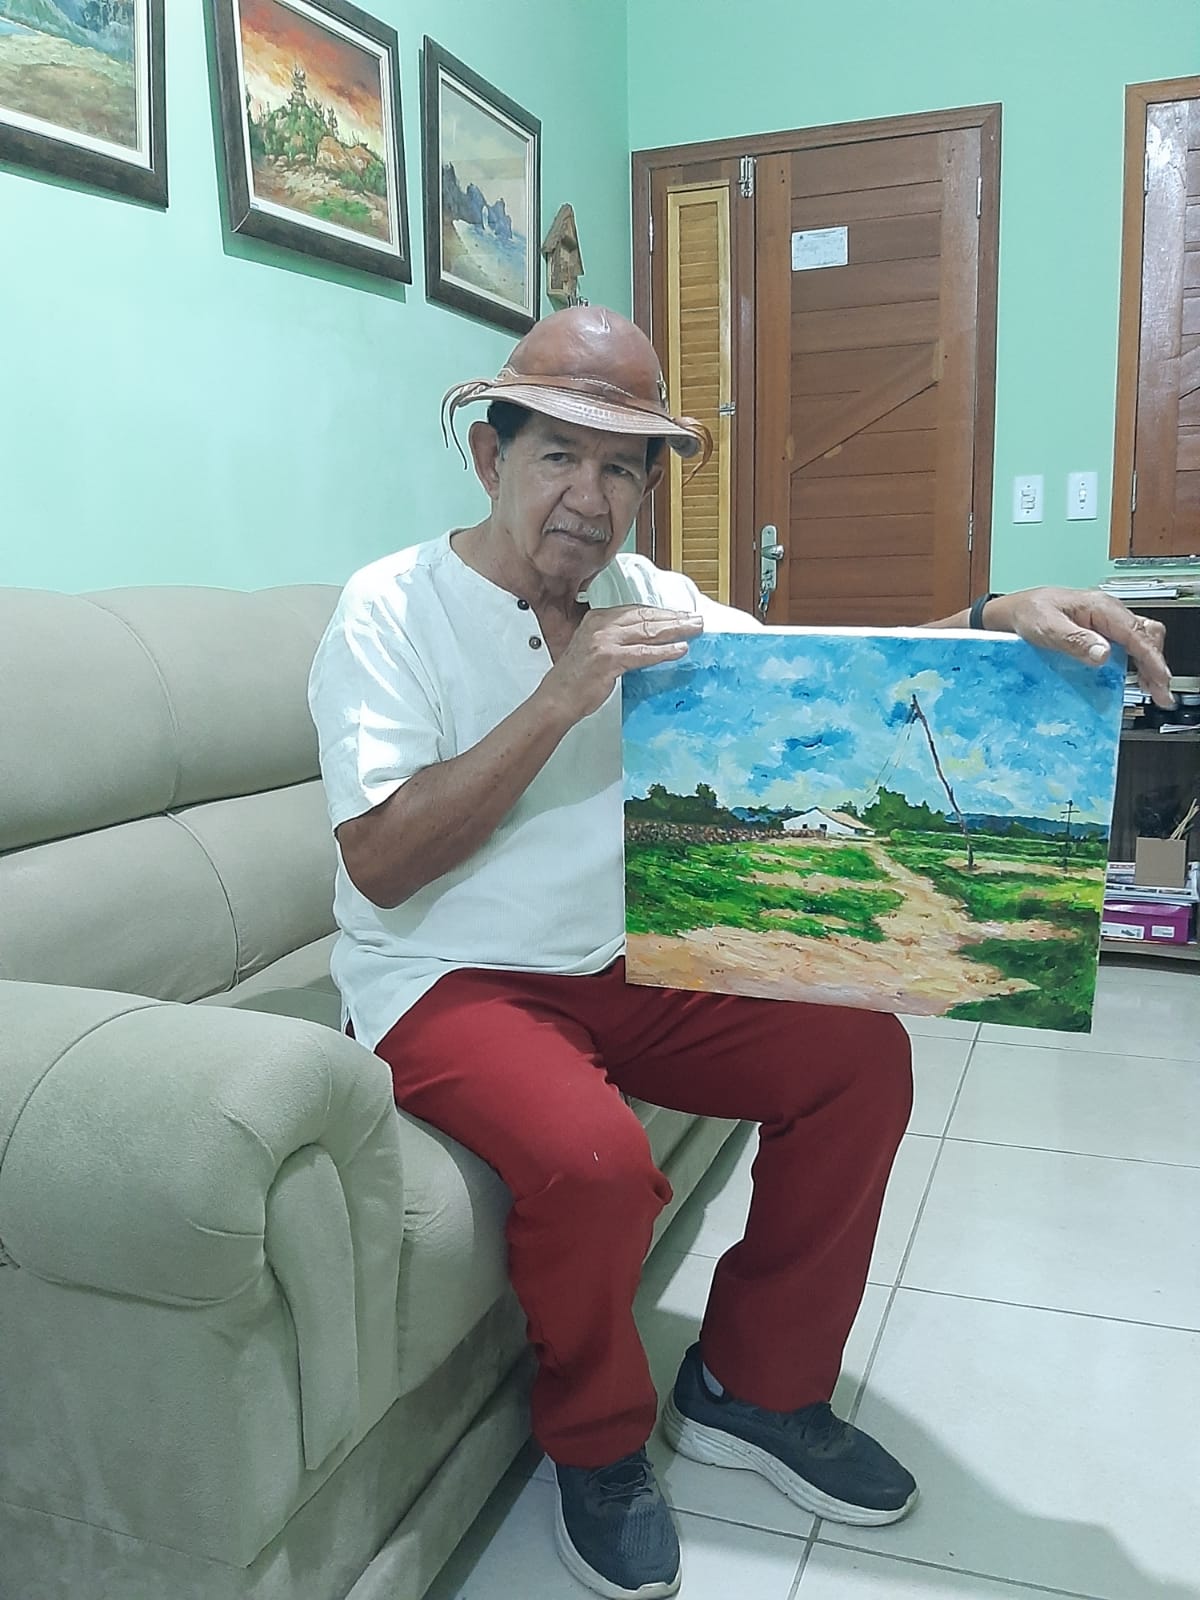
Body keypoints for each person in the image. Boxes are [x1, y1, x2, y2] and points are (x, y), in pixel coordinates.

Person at [308, 306, 1171, 1600]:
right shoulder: (387, 609)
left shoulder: (650, 601)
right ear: (490, 459)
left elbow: (833, 676)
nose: (590, 498)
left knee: (859, 1062)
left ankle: (753, 1389)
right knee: (596, 1163)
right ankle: (597, 1445)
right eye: (558, 456)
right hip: (446, 975)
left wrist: (1001, 611)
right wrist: (561, 696)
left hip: (628, 954)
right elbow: (381, 862)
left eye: (622, 469)